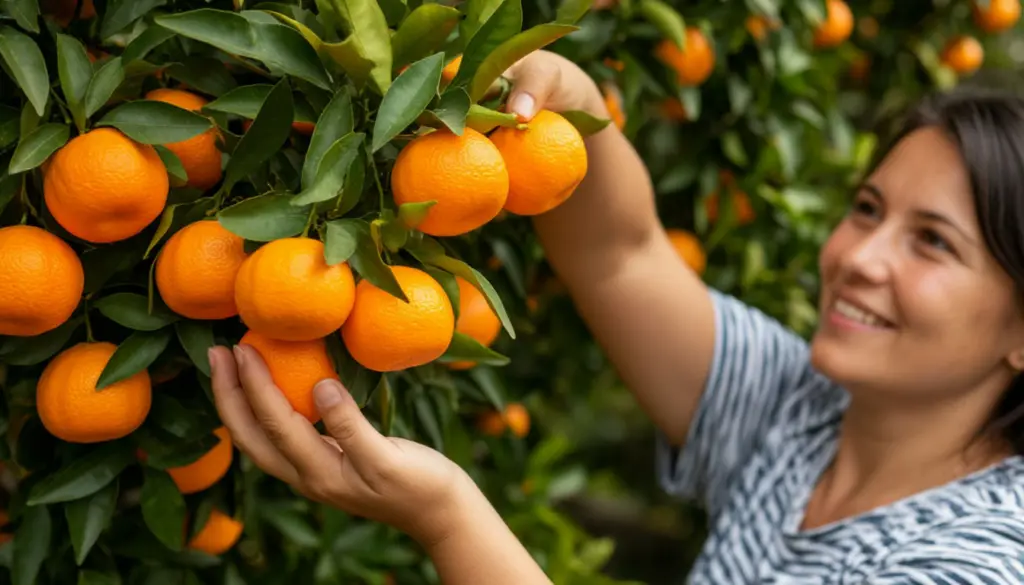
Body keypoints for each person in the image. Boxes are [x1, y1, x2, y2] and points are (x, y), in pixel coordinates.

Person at [208, 50, 1024, 584]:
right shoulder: (808, 411)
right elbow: (621, 254)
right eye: (868, 208)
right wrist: (570, 105)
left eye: (933, 243)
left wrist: (445, 515)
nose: (860, 257)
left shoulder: (980, 561)